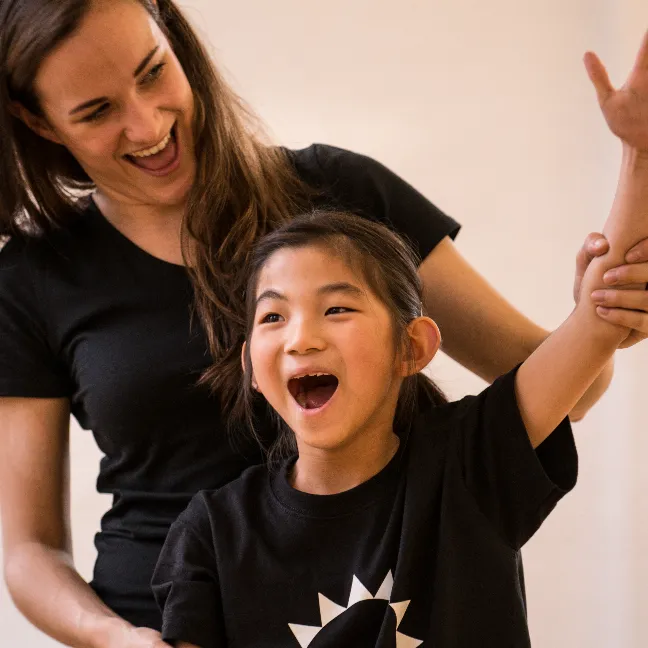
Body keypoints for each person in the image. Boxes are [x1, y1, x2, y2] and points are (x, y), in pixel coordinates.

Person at [0, 0, 645, 646]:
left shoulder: (342, 196)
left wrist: (602, 299)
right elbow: (28, 549)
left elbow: (571, 384)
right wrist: (111, 637)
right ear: (40, 121)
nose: (145, 125)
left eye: (152, 72)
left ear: (413, 346)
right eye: (96, 111)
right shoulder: (33, 279)